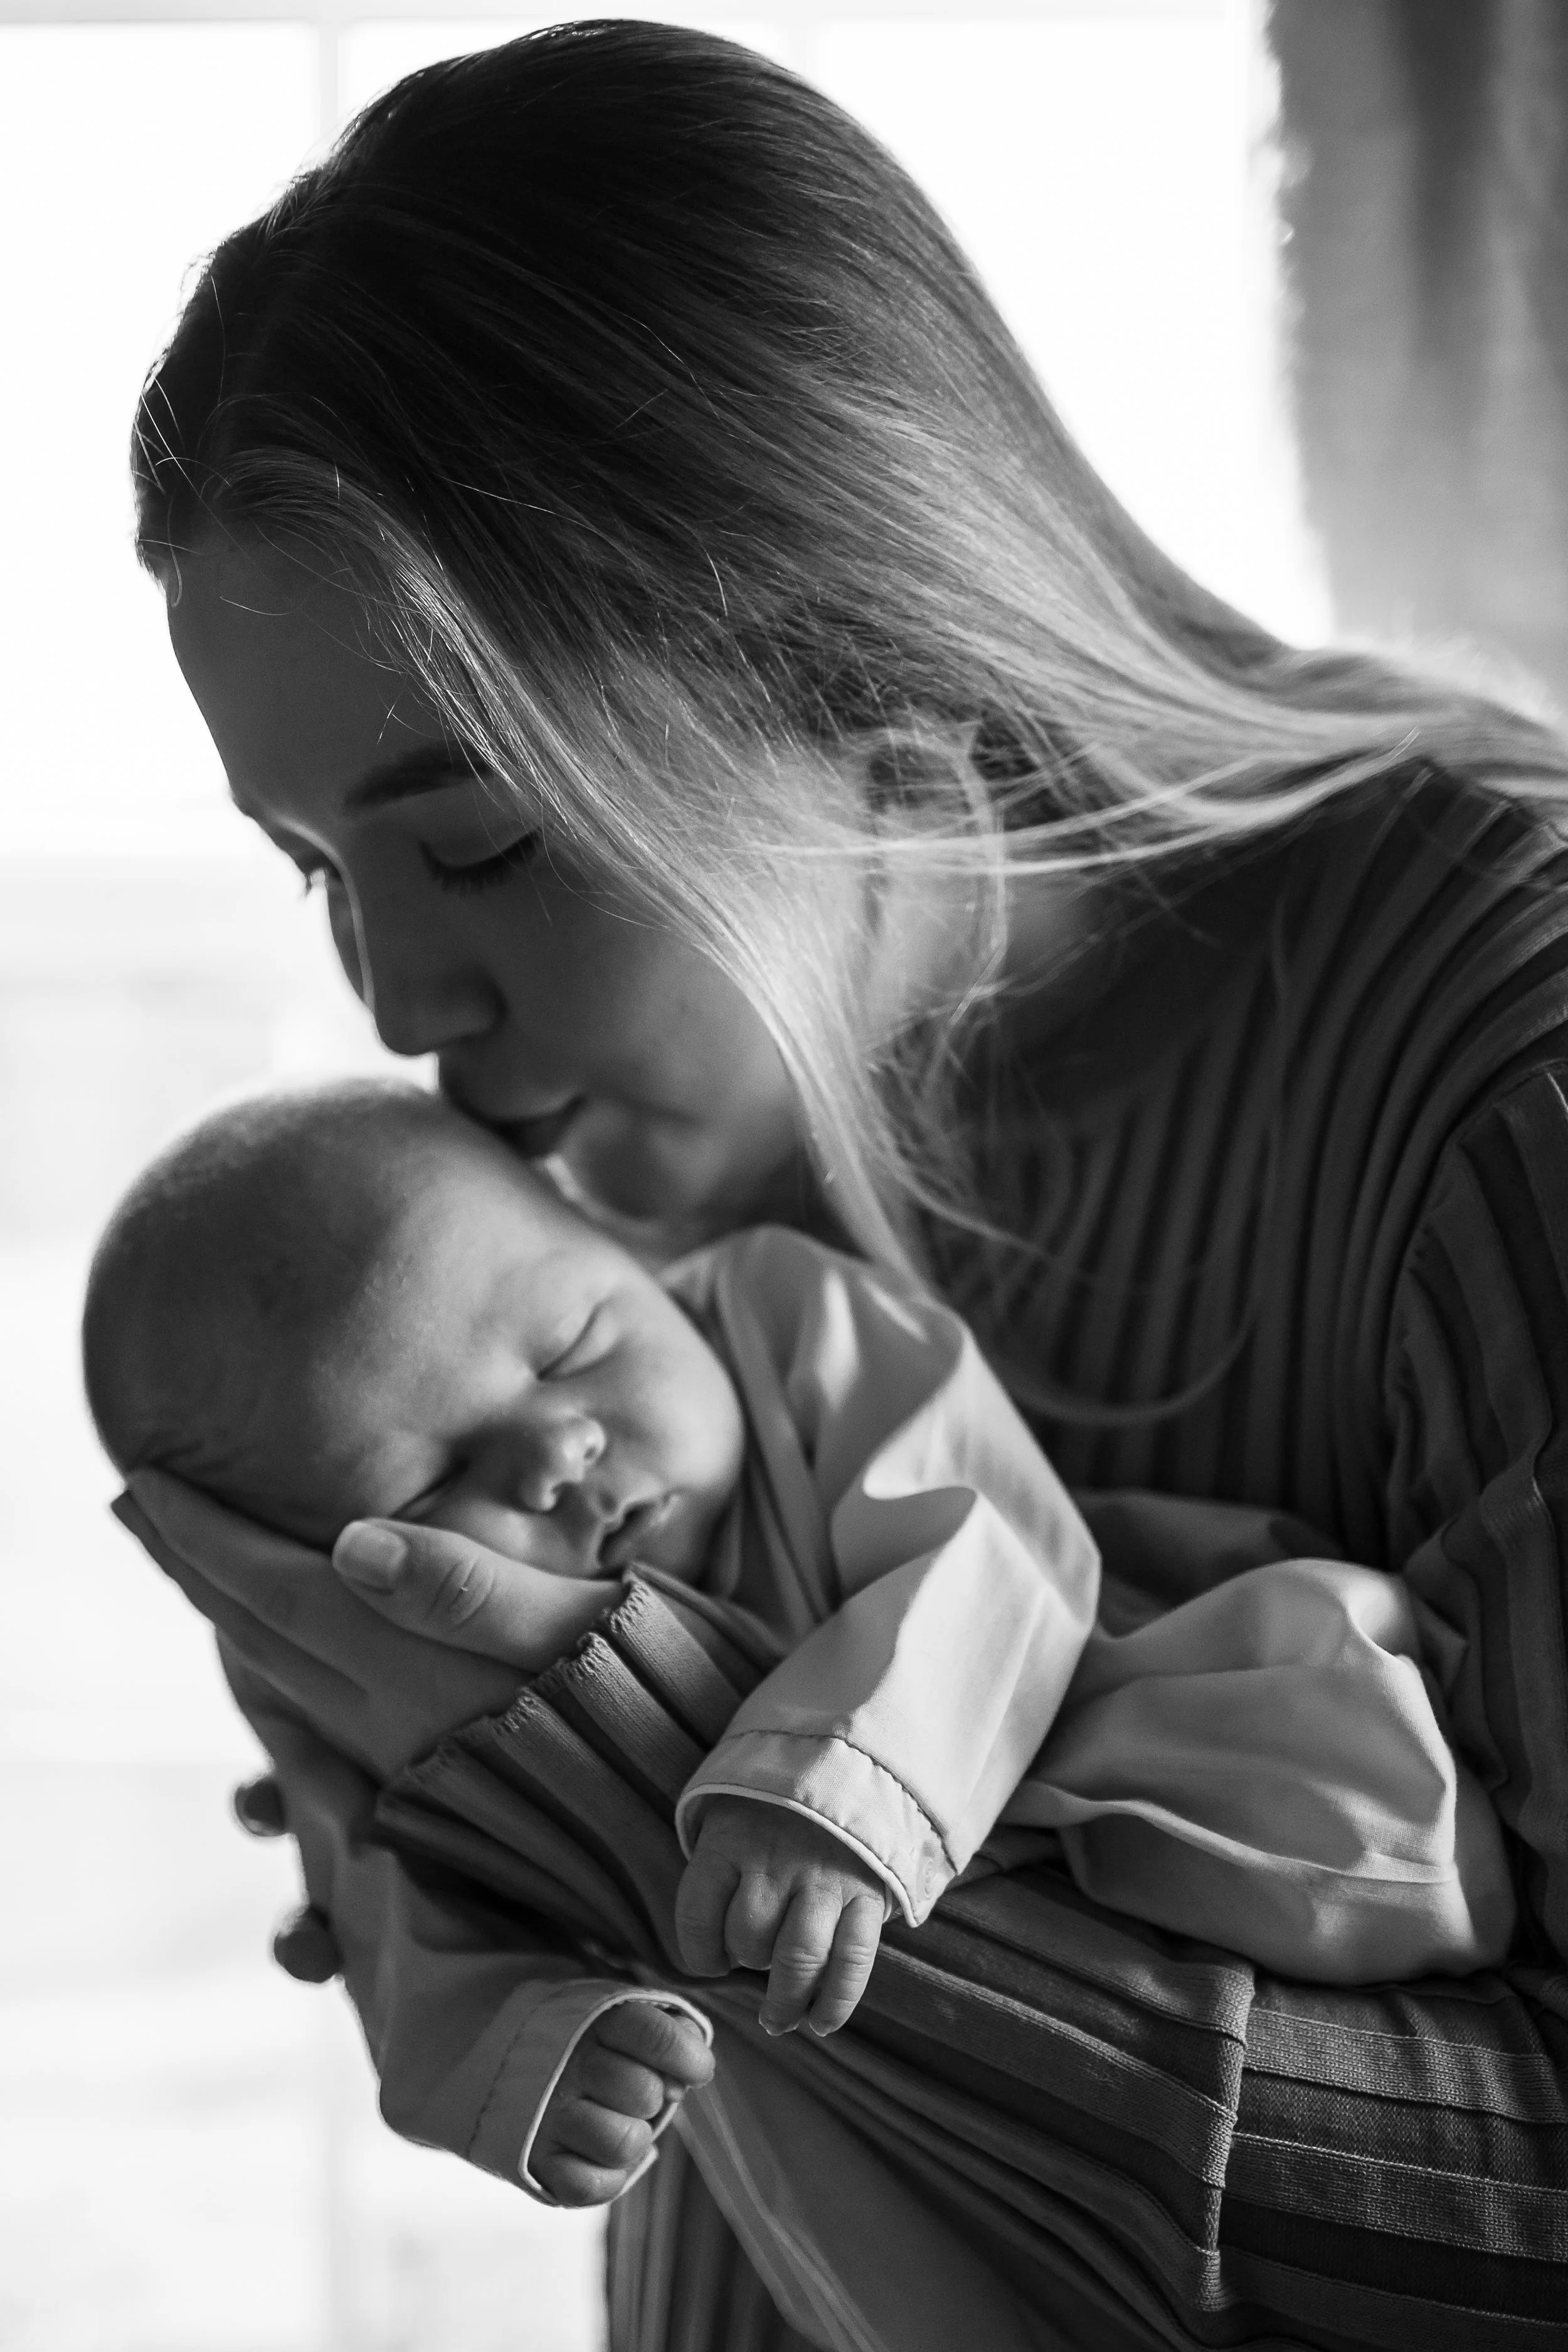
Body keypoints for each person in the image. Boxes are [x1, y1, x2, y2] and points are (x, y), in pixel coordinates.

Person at [114, 19, 1568, 2349]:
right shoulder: (622, 1186)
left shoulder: (1506, 1042)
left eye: (475, 840)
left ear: (862, 652)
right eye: (315, 870)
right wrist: (452, 1886)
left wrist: (662, 1792)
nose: (395, 1006)